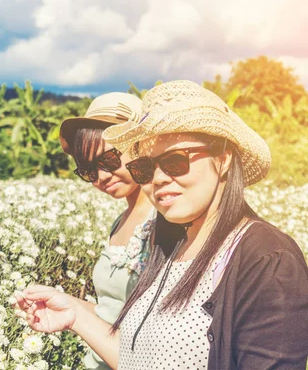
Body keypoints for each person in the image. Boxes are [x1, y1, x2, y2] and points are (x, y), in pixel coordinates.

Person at [16, 80, 308, 369]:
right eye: (144, 168)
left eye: (175, 161)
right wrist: (76, 315)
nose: (158, 179)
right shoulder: (169, 245)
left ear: (223, 158)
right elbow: (141, 359)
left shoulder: (267, 259)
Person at [40, 92, 155, 369]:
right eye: (89, 170)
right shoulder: (120, 221)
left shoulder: (165, 220)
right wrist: (63, 302)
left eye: (109, 160)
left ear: (139, 145)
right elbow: (110, 312)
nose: (102, 177)